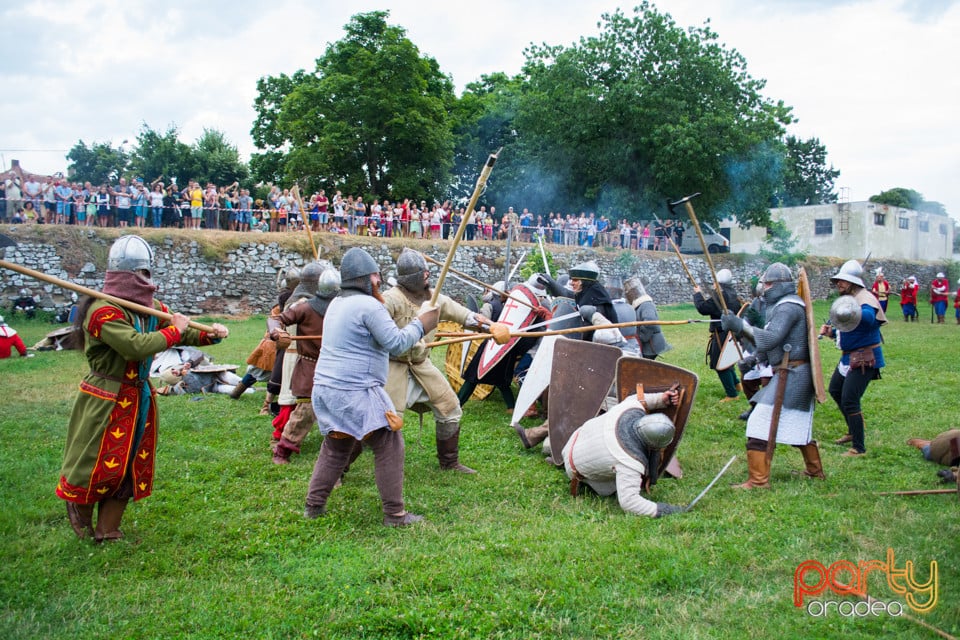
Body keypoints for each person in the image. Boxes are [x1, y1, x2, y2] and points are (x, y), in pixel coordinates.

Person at [56, 235, 229, 542]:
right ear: (124, 274)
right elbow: (134, 347)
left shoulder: (148, 308)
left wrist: (210, 335)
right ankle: (80, 510)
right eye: (141, 274)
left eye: (147, 274)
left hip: (139, 397)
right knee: (96, 459)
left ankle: (107, 528)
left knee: (130, 461)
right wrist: (175, 329)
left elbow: (182, 333)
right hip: (106, 397)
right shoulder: (103, 312)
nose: (145, 281)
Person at [304, 247, 439, 527]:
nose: (379, 281)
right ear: (368, 278)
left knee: (336, 448)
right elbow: (398, 344)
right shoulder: (369, 306)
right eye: (376, 276)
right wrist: (422, 324)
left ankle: (313, 507)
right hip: (354, 391)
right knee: (390, 444)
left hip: (327, 389)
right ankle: (395, 514)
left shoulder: (336, 304)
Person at [383, 249, 501, 474]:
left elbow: (466, 316)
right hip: (392, 367)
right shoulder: (390, 300)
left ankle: (449, 463)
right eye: (423, 273)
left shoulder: (435, 299)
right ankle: (341, 468)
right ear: (412, 278)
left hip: (421, 365)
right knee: (378, 421)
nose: (428, 276)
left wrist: (491, 327)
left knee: (450, 408)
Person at [721, 263, 823, 488]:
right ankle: (815, 471)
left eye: (767, 284)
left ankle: (758, 481)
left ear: (779, 285)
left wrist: (739, 325)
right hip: (789, 372)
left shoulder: (788, 307)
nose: (764, 288)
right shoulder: (782, 306)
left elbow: (770, 339)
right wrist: (755, 359)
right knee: (795, 423)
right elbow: (774, 345)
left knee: (758, 422)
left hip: (794, 374)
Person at [561, 391, 685, 518]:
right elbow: (629, 502)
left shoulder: (629, 407)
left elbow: (637, 398)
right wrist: (663, 510)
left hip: (574, 439)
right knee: (617, 482)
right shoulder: (628, 460)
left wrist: (661, 399)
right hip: (574, 468)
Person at [271, 265, 341, 464]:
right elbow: (278, 320)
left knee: (341, 408)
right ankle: (282, 450)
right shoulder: (305, 307)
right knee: (305, 411)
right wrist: (277, 331)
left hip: (336, 366)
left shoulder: (342, 307)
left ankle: (341, 452)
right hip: (311, 366)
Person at [819, 259, 885, 457]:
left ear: (854, 282)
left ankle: (859, 447)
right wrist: (831, 332)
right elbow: (848, 332)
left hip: (865, 357)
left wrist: (846, 310)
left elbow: (867, 319)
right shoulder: (850, 298)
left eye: (843, 281)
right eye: (838, 280)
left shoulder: (865, 298)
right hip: (849, 356)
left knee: (850, 399)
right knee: (836, 390)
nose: (839, 284)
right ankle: (852, 429)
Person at [693, 269, 743, 402]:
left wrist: (697, 294)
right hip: (731, 333)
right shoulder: (732, 293)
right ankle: (737, 385)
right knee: (726, 360)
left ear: (718, 283)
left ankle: (732, 394)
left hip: (722, 333)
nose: (713, 285)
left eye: (715, 283)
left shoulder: (721, 296)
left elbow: (703, 308)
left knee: (719, 362)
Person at [623, 276, 671, 360]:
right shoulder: (641, 304)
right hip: (648, 343)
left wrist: (642, 337)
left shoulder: (646, 304)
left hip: (651, 343)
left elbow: (650, 322)